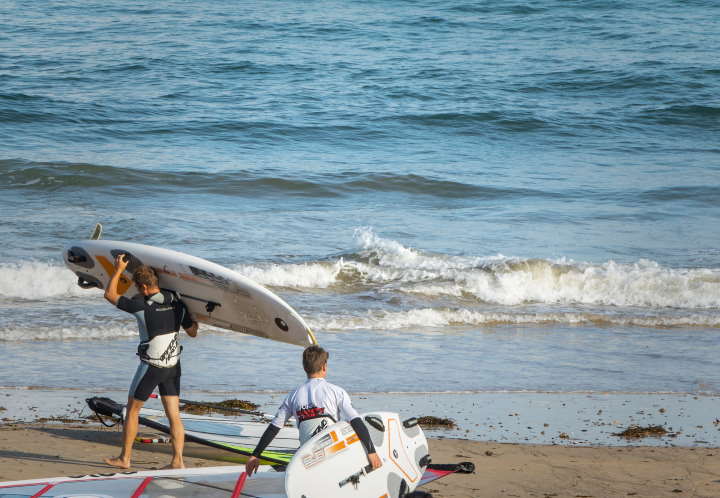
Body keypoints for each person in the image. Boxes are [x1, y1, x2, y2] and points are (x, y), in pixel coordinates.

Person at [103, 254, 198, 469]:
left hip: (152, 367)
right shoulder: (177, 303)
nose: (137, 291)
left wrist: (118, 269)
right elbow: (192, 332)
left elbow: (109, 294)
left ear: (145, 287)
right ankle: (177, 461)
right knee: (174, 415)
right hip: (174, 366)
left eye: (138, 287)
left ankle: (125, 458)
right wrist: (194, 317)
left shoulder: (140, 305)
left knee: (132, 411)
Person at [245, 345, 382, 476]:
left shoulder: (293, 395)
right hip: (333, 455)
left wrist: (255, 455)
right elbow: (356, 421)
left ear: (304, 367)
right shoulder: (336, 391)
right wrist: (371, 451)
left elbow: (274, 427)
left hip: (307, 458)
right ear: (324, 366)